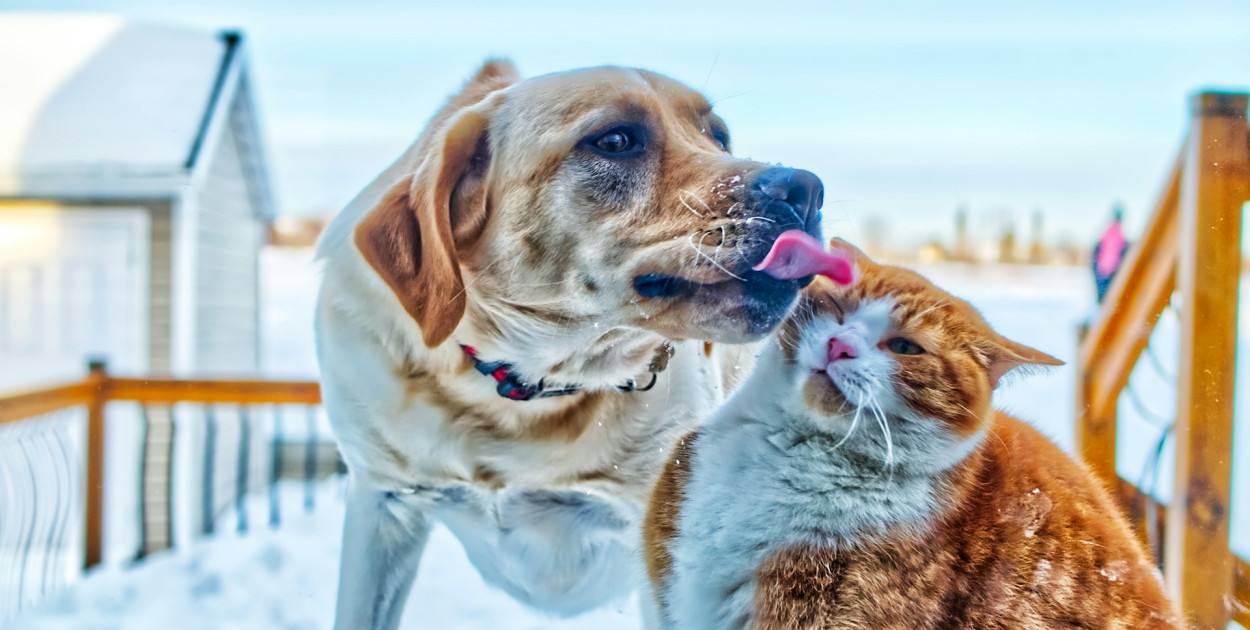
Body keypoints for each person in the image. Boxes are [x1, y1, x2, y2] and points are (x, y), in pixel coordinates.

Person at [1092, 205, 1130, 303]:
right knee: (1106, 298)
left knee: (1105, 297)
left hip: (1106, 270)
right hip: (1107, 270)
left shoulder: (1111, 231)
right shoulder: (1114, 232)